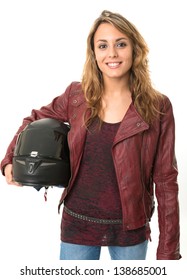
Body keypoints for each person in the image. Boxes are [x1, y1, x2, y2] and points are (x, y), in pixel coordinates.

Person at [1, 10, 181, 260]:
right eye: (103, 45)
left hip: (131, 231)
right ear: (94, 53)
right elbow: (34, 118)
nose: (112, 54)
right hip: (78, 226)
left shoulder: (158, 106)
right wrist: (10, 159)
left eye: (121, 44)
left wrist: (168, 252)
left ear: (134, 49)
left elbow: (165, 181)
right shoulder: (77, 96)